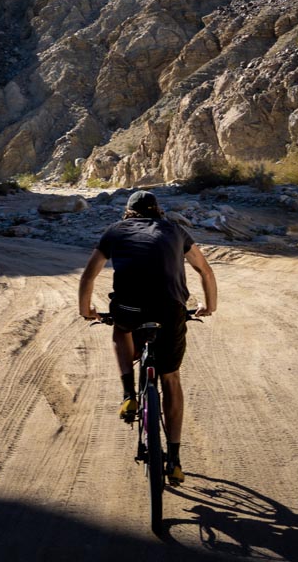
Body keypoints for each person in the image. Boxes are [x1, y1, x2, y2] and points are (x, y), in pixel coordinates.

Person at [78, 190, 218, 485]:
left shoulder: (115, 231)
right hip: (170, 309)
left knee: (122, 329)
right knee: (171, 378)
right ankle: (175, 461)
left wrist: (87, 310)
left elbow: (88, 276)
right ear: (158, 211)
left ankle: (129, 394)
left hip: (128, 307)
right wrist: (210, 305)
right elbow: (203, 269)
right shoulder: (175, 230)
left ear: (128, 212)